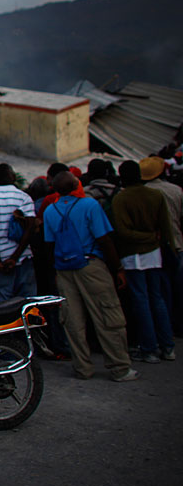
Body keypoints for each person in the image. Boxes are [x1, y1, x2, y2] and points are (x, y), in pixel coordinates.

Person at [43, 172, 137, 381]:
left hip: (64, 269)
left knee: (72, 320)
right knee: (106, 314)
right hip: (91, 265)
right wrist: (118, 268)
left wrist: (56, 272)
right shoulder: (90, 205)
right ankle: (120, 367)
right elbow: (104, 239)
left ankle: (82, 367)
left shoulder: (50, 210)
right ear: (76, 185)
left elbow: (49, 245)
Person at [111, 160, 174, 363]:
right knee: (157, 299)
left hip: (133, 255)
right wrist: (155, 240)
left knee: (142, 301)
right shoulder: (155, 195)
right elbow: (166, 227)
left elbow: (123, 232)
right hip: (153, 252)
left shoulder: (121, 199)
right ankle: (167, 346)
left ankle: (149, 348)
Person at [141, 156, 183, 335]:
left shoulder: (143, 193)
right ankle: (179, 325)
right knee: (178, 288)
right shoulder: (175, 190)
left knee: (161, 290)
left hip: (155, 246)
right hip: (177, 243)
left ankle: (166, 328)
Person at [0, 164, 38, 302]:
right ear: (13, 177)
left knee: (4, 304)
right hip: (23, 258)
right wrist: (15, 257)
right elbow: (30, 228)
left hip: (0, 261)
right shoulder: (24, 197)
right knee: (28, 302)